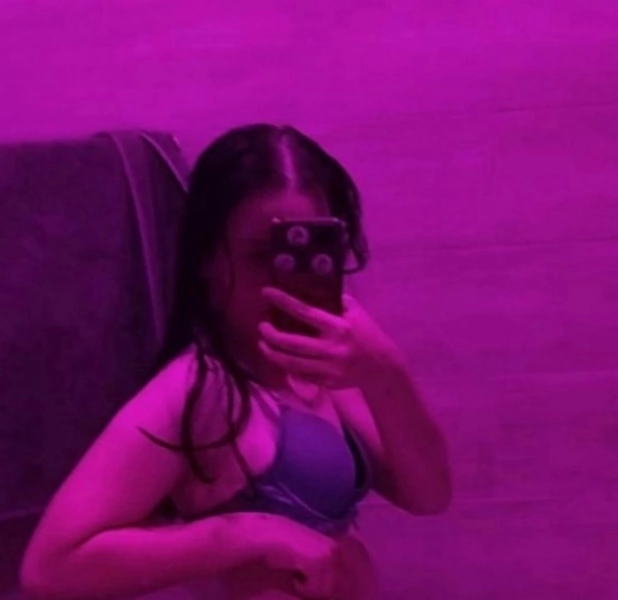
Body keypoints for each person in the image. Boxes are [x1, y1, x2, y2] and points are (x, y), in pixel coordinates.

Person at [19, 123, 452, 600]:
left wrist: (385, 369)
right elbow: (50, 568)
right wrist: (248, 533)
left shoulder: (327, 367)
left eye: (308, 250)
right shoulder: (199, 386)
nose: (282, 279)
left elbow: (428, 494)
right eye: (260, 255)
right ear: (207, 260)